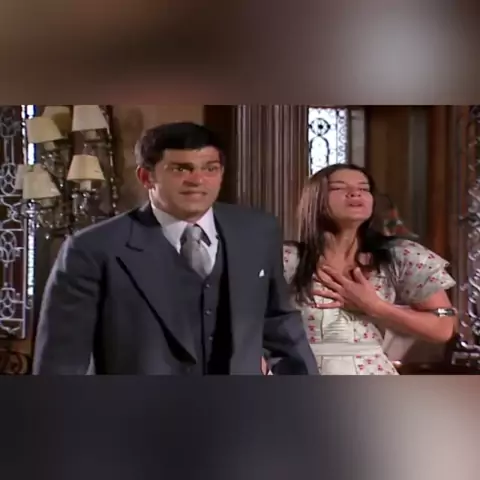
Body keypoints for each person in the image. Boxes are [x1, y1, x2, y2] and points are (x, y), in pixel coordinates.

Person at [32, 122, 318, 375]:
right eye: (181, 169)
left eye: (210, 169)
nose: (197, 180)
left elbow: (280, 322)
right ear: (146, 177)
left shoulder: (257, 232)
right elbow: (62, 360)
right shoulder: (93, 248)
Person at [282, 164, 457, 375]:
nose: (355, 193)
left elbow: (443, 328)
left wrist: (375, 307)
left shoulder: (397, 255)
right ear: (314, 199)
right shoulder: (287, 259)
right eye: (339, 187)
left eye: (363, 188)